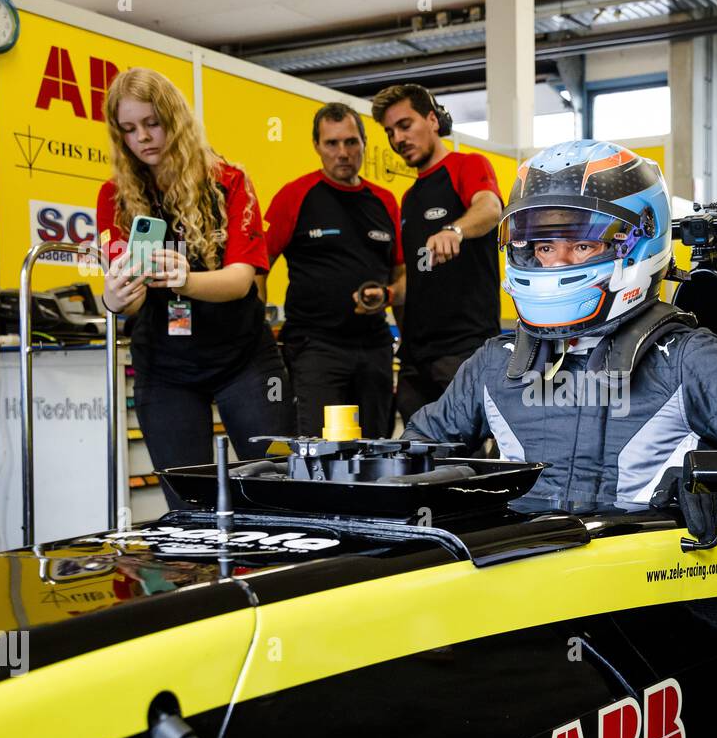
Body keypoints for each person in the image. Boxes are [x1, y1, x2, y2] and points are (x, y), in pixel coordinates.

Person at [401, 140, 717, 513]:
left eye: (580, 246)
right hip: (526, 600)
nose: (555, 261)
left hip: (647, 601)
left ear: (636, 244)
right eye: (542, 247)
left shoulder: (688, 360)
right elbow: (413, 450)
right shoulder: (494, 364)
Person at [96, 67, 293, 505]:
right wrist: (116, 298)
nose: (143, 137)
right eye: (129, 129)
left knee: (277, 491)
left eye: (153, 123)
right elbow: (122, 300)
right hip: (165, 367)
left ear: (176, 120)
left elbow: (242, 282)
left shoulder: (229, 181)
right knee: (189, 504)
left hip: (244, 358)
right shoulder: (114, 197)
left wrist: (185, 279)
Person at [264, 102, 402, 439]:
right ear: (317, 146)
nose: (343, 152)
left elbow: (401, 274)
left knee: (377, 451)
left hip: (374, 348)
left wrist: (388, 295)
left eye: (351, 142)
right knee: (319, 455)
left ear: (364, 144)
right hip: (315, 348)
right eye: (332, 143)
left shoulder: (384, 201)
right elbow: (256, 267)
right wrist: (258, 334)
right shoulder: (294, 196)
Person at [370, 84, 503, 424]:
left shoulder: (466, 166)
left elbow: (490, 208)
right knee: (416, 456)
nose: (398, 138)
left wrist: (454, 230)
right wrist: (386, 295)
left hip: (463, 350)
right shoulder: (410, 198)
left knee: (465, 461)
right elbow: (412, 278)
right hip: (416, 357)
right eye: (390, 132)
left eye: (405, 124)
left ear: (432, 119)